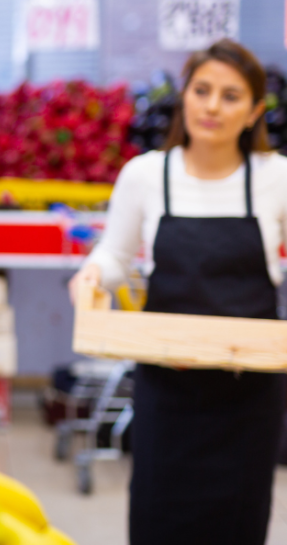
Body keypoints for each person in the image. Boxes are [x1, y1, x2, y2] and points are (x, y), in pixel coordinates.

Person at [69, 39, 287, 545]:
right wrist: (92, 276)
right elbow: (115, 257)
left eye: (231, 96)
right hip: (169, 390)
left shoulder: (276, 177)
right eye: (202, 90)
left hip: (248, 393)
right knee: (159, 514)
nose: (212, 106)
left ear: (255, 110)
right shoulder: (146, 174)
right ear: (184, 95)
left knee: (239, 519)